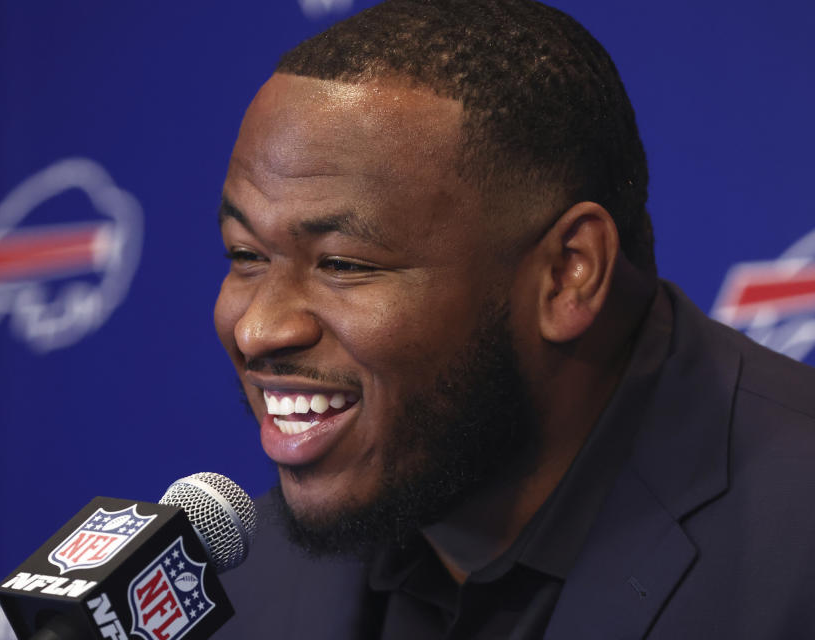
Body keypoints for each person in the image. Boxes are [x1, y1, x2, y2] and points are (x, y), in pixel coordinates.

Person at [212, 1, 815, 637]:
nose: (257, 329)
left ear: (567, 273)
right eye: (246, 255)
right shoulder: (245, 583)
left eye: (342, 263)